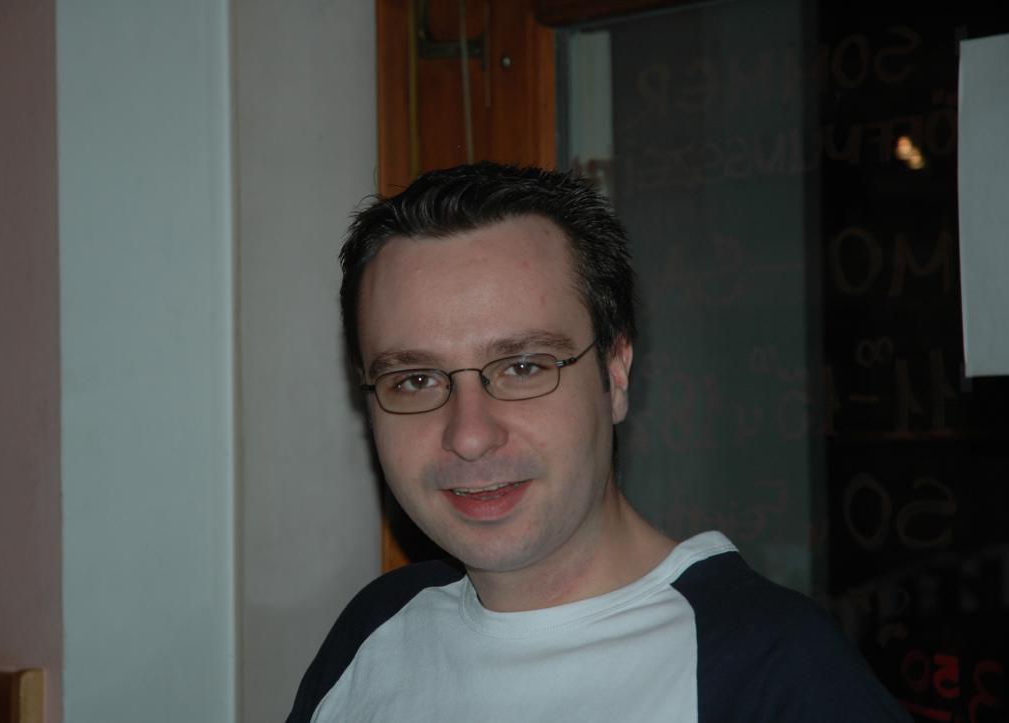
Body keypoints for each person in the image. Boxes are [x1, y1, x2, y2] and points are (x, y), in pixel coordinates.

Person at [287, 163, 908, 722]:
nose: (469, 436)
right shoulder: (374, 630)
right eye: (415, 379)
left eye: (524, 367)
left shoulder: (775, 676)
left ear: (616, 374)